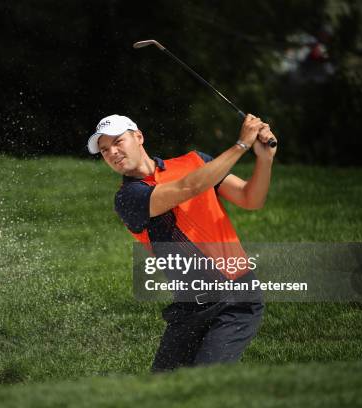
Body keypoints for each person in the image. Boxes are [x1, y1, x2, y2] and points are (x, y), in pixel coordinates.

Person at [87, 113, 277, 371]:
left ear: (139, 136)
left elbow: (250, 198)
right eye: (104, 150)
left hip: (236, 299)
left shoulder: (195, 161)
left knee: (204, 386)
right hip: (189, 308)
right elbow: (189, 187)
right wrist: (241, 145)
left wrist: (265, 160)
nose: (113, 152)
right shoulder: (128, 198)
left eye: (118, 141)